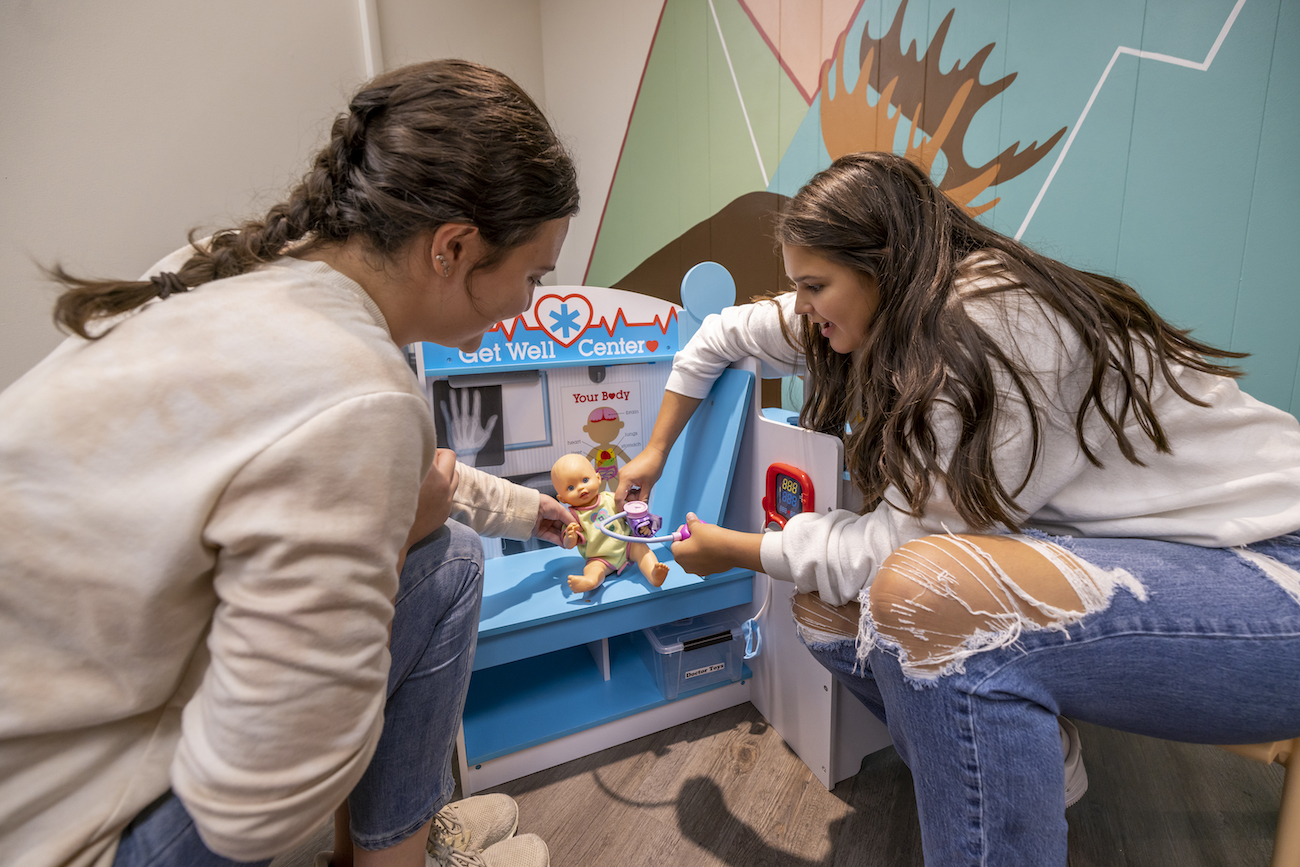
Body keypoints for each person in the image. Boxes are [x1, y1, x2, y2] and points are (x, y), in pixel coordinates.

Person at [616, 151, 1300, 866]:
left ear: (881, 264)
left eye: (813, 286)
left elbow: (903, 553)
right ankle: (1031, 769)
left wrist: (737, 547)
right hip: (1189, 562)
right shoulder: (878, 304)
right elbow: (722, 334)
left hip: (1271, 572)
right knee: (825, 612)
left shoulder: (991, 328)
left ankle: (1009, 798)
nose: (803, 308)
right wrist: (656, 449)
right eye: (798, 287)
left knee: (925, 600)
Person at [0, 60, 581, 867]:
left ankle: (394, 840)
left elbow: (375, 479)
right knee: (446, 567)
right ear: (453, 247)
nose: (528, 302)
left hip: (33, 761)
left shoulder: (236, 275)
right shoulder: (359, 391)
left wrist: (521, 509)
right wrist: (388, 552)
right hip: (68, 833)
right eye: (532, 275)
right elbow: (257, 808)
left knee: (445, 551)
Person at [551, 453, 668, 593]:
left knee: (642, 549)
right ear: (561, 498)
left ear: (598, 478)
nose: (581, 488)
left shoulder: (611, 498)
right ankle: (590, 581)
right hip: (600, 557)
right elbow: (568, 545)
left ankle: (653, 573)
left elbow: (630, 516)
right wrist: (570, 537)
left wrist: (641, 522)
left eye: (585, 480)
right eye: (571, 488)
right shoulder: (573, 518)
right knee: (593, 569)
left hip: (627, 546)